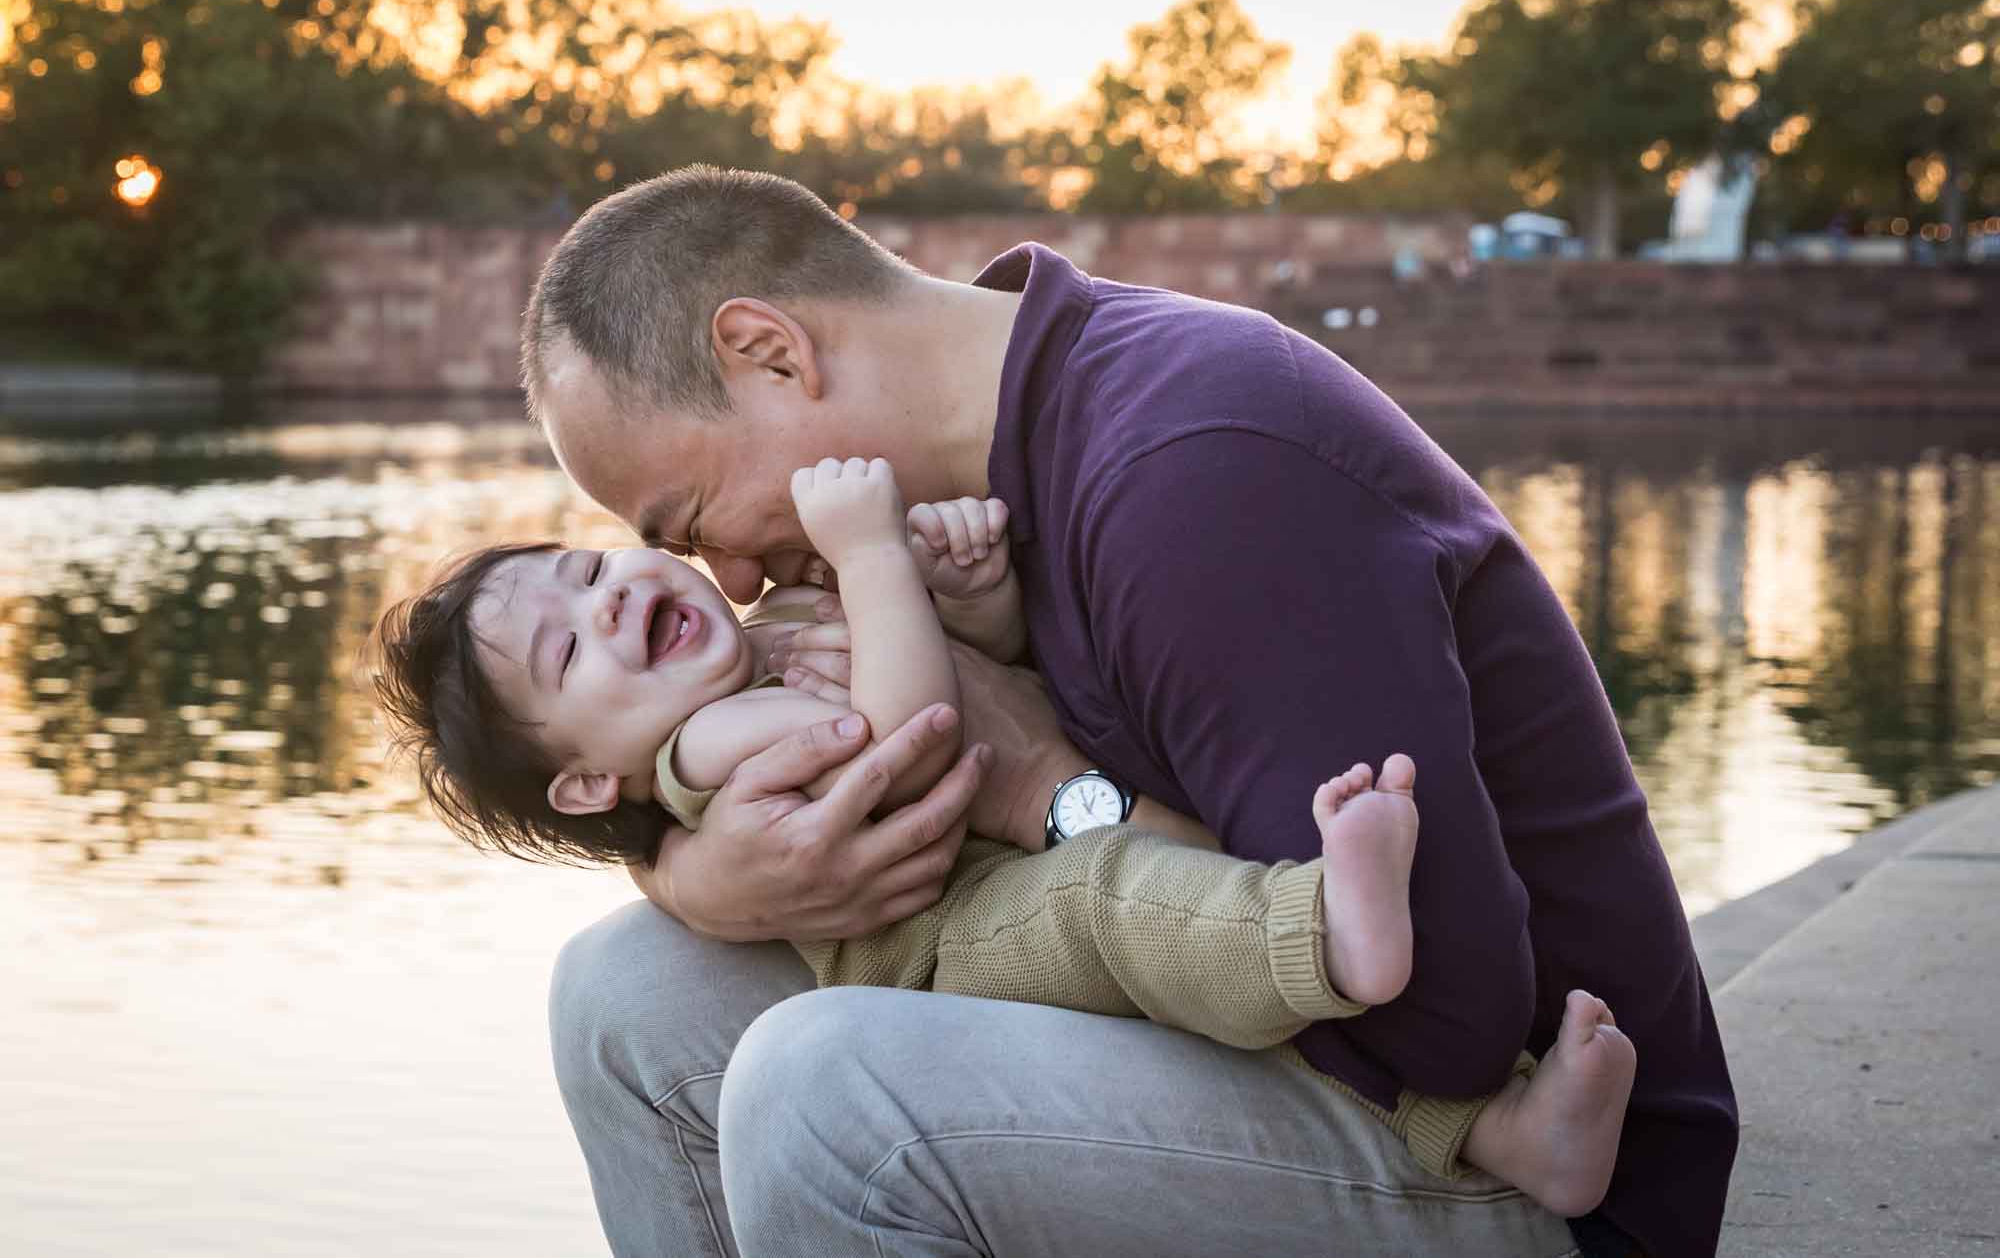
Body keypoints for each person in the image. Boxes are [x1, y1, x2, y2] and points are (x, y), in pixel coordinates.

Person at [521, 166, 1738, 1256]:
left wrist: (1028, 782)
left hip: (1522, 1153)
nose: (723, 579)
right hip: (1290, 1040)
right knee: (625, 995)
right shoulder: (984, 473)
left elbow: (1443, 1016)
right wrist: (689, 880)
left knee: (826, 1089)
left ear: (772, 352)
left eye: (687, 517)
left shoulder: (1194, 475)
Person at [366, 465, 1636, 1215]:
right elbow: (911, 725)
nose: (616, 599)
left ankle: (1492, 1133)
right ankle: (1323, 927)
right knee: (1109, 904)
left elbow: (986, 677)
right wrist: (870, 555)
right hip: (953, 951)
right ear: (592, 783)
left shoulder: (770, 634)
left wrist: (970, 592)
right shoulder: (704, 746)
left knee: (1207, 984)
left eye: (592, 573)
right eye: (569, 646)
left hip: (1002, 887)